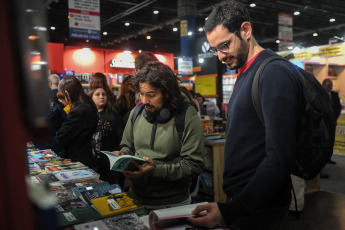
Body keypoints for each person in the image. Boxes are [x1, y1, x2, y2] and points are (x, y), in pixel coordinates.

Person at [188, 1, 303, 229]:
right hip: (245, 204)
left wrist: (231, 211)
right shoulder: (246, 71)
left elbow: (279, 159)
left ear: (246, 30)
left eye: (224, 45)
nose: (220, 56)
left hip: (261, 209)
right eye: (215, 49)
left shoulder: (273, 73)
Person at [114, 61, 204, 210]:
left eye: (151, 95)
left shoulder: (188, 116)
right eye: (141, 94)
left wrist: (156, 170)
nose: (144, 101)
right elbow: (126, 145)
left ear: (167, 92)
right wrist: (123, 155)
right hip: (137, 198)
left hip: (173, 204)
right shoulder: (136, 113)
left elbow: (194, 165)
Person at [56, 75, 98, 170]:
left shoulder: (79, 110)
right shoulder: (89, 103)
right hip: (90, 157)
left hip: (81, 161)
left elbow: (61, 137)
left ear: (66, 93)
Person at [89, 86, 124, 184]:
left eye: (104, 94)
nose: (101, 97)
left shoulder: (113, 115)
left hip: (110, 160)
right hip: (93, 161)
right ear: (91, 97)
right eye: (97, 94)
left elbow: (121, 136)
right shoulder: (88, 114)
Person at [322, 79, 342, 166]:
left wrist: (334, 118)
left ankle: (328, 158)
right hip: (323, 124)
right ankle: (322, 160)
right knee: (323, 142)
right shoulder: (320, 94)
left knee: (331, 142)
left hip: (332, 123)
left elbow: (338, 107)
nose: (330, 86)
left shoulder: (334, 94)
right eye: (328, 85)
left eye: (331, 85)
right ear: (323, 86)